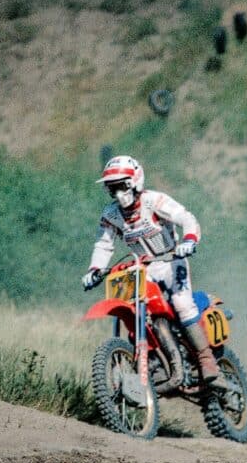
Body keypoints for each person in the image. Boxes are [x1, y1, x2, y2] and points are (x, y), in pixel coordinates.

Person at [83, 155, 222, 386]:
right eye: (112, 188)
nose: (117, 193)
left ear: (134, 181)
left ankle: (206, 358)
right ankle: (153, 360)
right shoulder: (111, 214)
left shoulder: (154, 201)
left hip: (170, 260)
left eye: (121, 186)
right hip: (140, 268)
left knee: (182, 304)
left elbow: (185, 217)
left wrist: (189, 240)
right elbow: (104, 244)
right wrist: (94, 269)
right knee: (135, 310)